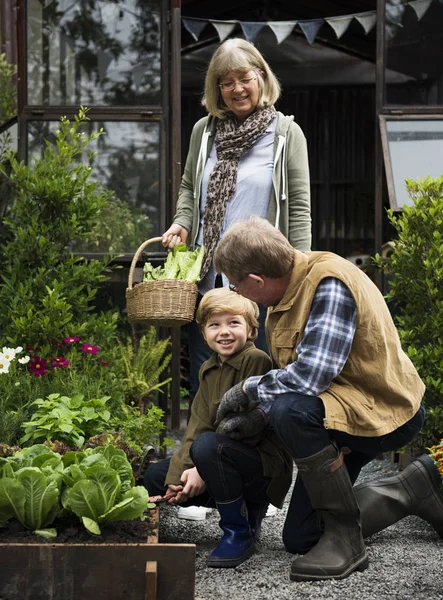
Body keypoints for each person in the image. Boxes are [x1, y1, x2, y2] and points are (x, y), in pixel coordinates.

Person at [211, 215, 434, 582]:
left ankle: (347, 541)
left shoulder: (328, 284)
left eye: (237, 286)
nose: (238, 293)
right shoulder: (286, 292)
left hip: (385, 414)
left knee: (291, 410)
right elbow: (303, 376)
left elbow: (309, 377)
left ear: (256, 281)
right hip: (341, 410)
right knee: (301, 537)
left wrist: (248, 391)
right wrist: (262, 417)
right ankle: (411, 490)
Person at [161, 37, 311, 416]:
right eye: (226, 83)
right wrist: (182, 222)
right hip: (211, 276)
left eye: (244, 78)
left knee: (261, 370)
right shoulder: (204, 131)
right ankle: (202, 459)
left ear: (261, 78)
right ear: (217, 89)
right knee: (206, 373)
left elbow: (300, 208)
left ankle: (258, 462)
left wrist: (304, 272)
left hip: (262, 278)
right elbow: (189, 188)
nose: (237, 89)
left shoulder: (285, 135)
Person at [144, 287, 293, 568]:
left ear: (250, 330)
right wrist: (179, 477)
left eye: (233, 323)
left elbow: (246, 429)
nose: (224, 331)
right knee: (156, 476)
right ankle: (243, 509)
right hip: (220, 456)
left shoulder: (256, 360)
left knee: (207, 447)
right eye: (215, 325)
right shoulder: (209, 368)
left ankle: (239, 530)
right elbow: (197, 425)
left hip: (261, 465)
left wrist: (201, 468)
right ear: (204, 334)